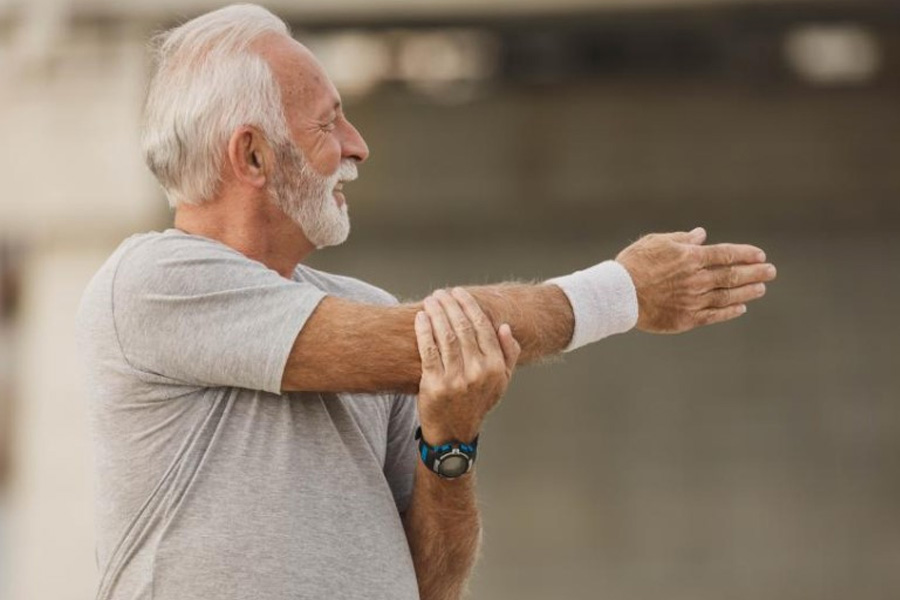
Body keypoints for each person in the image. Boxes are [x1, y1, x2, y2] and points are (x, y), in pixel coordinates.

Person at [75, 4, 777, 600]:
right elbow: (427, 344)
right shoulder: (153, 280)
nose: (358, 145)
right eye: (328, 125)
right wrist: (622, 293)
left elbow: (432, 586)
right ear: (252, 156)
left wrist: (450, 444)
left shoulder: (362, 305)